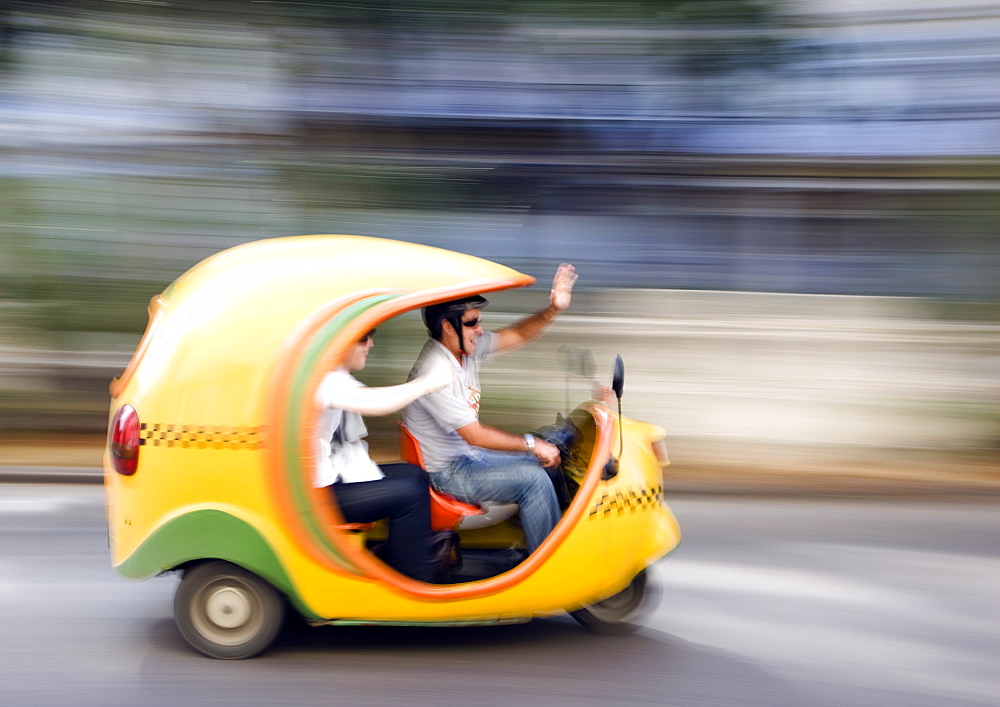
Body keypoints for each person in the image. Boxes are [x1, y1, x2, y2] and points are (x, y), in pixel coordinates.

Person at [403, 264, 578, 554]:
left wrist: (553, 309)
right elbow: (475, 436)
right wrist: (533, 444)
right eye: (472, 323)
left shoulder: (464, 348)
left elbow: (519, 334)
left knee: (544, 457)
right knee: (533, 479)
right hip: (448, 472)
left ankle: (533, 539)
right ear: (448, 326)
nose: (479, 330)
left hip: (467, 457)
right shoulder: (435, 371)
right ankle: (546, 567)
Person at [314, 328, 451, 583]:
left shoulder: (333, 376)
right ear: (341, 342)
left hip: (329, 478)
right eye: (364, 337)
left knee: (415, 475)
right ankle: (415, 583)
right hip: (315, 496)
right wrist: (428, 382)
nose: (371, 343)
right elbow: (378, 402)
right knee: (407, 496)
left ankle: (405, 557)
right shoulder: (324, 379)